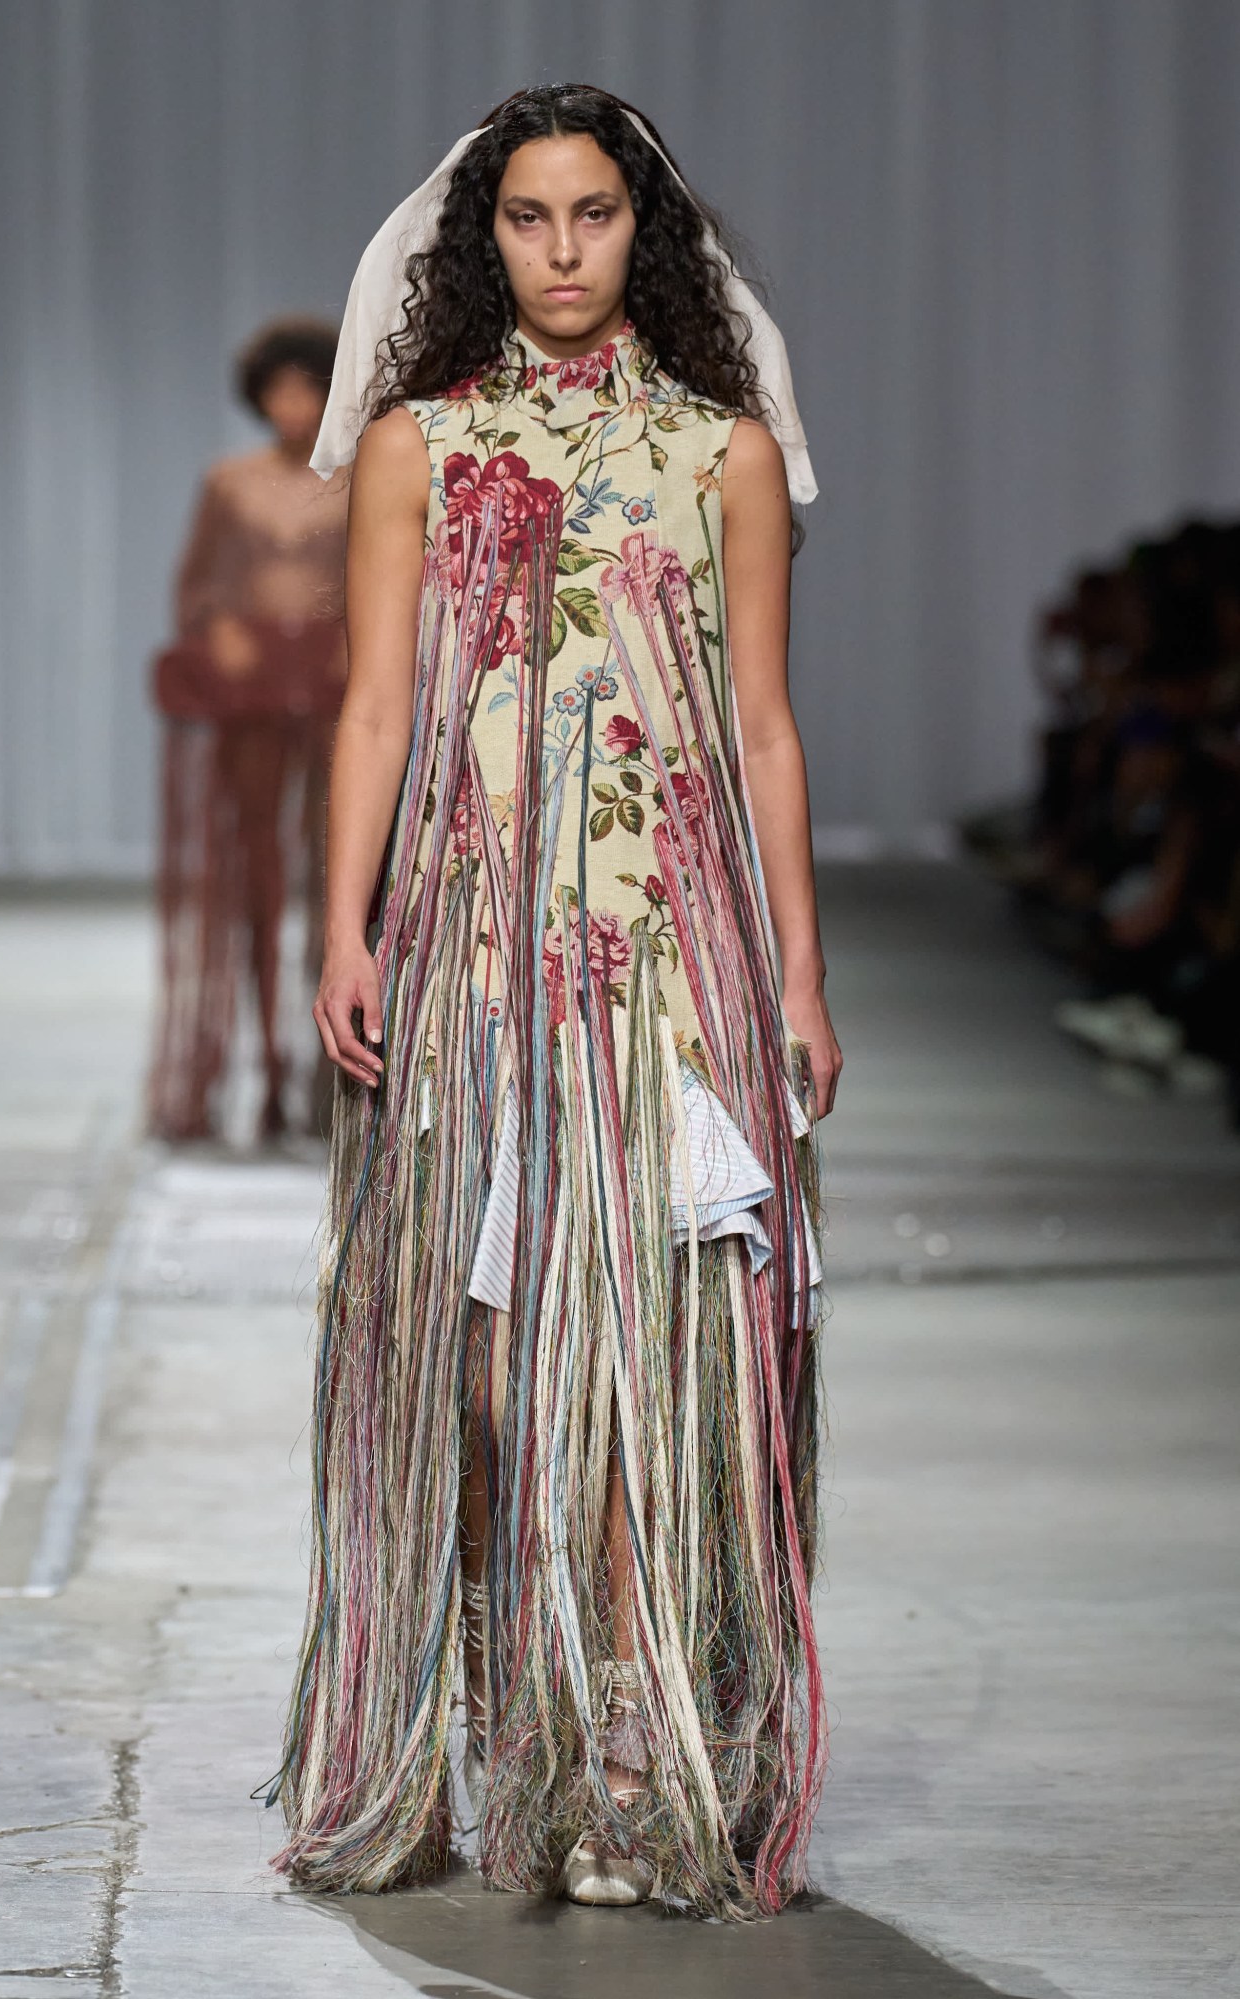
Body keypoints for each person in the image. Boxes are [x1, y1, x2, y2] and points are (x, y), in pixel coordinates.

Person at [269, 85, 842, 1917]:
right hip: (469, 954)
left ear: (643, 232)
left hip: (668, 957)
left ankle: (632, 1756)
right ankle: (495, 1730)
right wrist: (342, 925)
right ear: (482, 236)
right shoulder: (417, 442)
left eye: (595, 213)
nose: (565, 248)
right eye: (529, 217)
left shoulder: (719, 449)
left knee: (648, 1355)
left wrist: (801, 970)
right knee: (482, 1366)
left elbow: (762, 724)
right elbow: (375, 703)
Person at [146, 318, 349, 1145]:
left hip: (338, 693)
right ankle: (262, 1063)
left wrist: (354, 634)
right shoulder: (230, 483)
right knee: (255, 871)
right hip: (255, 694)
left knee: (338, 875)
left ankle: (333, 1076)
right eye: (279, 391)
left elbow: (383, 573)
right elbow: (198, 584)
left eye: (308, 389)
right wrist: (220, 626)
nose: (293, 406)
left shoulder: (359, 477)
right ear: (259, 397)